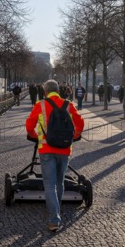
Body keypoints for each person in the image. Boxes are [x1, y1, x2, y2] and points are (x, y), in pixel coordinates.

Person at [26, 79, 85, 232]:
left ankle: (54, 219)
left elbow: (29, 126)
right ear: (58, 91)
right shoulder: (68, 105)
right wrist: (74, 136)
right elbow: (80, 123)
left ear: (45, 92)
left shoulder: (41, 105)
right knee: (60, 183)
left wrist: (35, 136)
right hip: (64, 149)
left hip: (46, 150)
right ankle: (55, 212)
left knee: (49, 184)